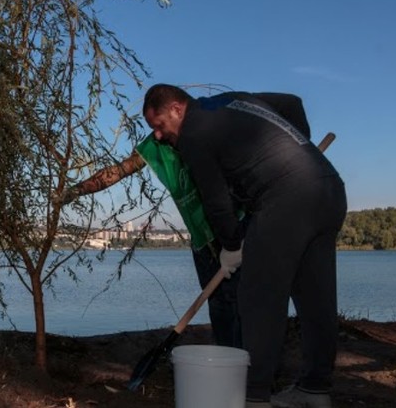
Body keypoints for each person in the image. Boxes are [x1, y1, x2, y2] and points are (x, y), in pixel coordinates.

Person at [141, 84, 346, 408]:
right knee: (315, 297)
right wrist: (301, 152)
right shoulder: (233, 101)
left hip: (286, 200)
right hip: (328, 188)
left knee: (258, 298)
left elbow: (216, 202)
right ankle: (315, 389)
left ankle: (253, 396)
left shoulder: (193, 133)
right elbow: (292, 103)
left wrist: (231, 245)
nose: (158, 136)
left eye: (159, 125)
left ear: (177, 109)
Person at [58, 131, 243, 349]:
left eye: (159, 122)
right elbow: (118, 171)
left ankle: (254, 365)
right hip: (201, 239)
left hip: (233, 229)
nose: (156, 131)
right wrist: (77, 190)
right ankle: (229, 360)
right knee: (219, 304)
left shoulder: (202, 130)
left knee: (243, 302)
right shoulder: (154, 144)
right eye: (152, 125)